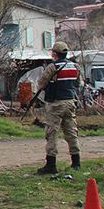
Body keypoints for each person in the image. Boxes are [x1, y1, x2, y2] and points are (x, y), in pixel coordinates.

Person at [36, 41, 83, 174]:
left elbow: (42, 83)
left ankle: (51, 164)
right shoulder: (75, 67)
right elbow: (78, 83)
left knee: (51, 133)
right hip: (70, 102)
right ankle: (76, 162)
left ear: (55, 54)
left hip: (55, 103)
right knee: (71, 132)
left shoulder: (52, 67)